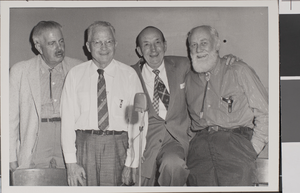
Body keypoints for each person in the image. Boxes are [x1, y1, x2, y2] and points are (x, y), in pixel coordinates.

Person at [131, 26, 238, 186]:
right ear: (139, 50)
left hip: (174, 140)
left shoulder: (182, 65)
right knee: (138, 181)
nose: (153, 49)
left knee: (173, 164)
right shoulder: (129, 74)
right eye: (146, 44)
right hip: (144, 143)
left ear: (165, 45)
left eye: (157, 42)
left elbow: (207, 62)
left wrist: (225, 60)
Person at [60, 21, 144, 186]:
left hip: (118, 147)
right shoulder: (75, 75)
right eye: (97, 42)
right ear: (88, 46)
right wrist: (70, 163)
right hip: (84, 147)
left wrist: (131, 162)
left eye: (109, 41)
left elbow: (138, 123)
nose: (103, 47)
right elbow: (67, 121)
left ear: (115, 44)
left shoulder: (129, 75)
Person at [185, 25, 268, 186]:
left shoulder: (238, 70)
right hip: (199, 153)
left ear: (216, 45)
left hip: (235, 145)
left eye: (204, 43)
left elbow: (266, 112)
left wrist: (252, 149)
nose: (198, 48)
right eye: (193, 45)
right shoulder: (188, 78)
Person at [9, 21, 82, 172]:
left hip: (69, 138)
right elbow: (11, 119)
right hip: (35, 139)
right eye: (52, 43)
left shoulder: (79, 68)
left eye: (61, 41)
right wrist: (11, 157)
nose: (59, 48)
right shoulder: (20, 71)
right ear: (38, 46)